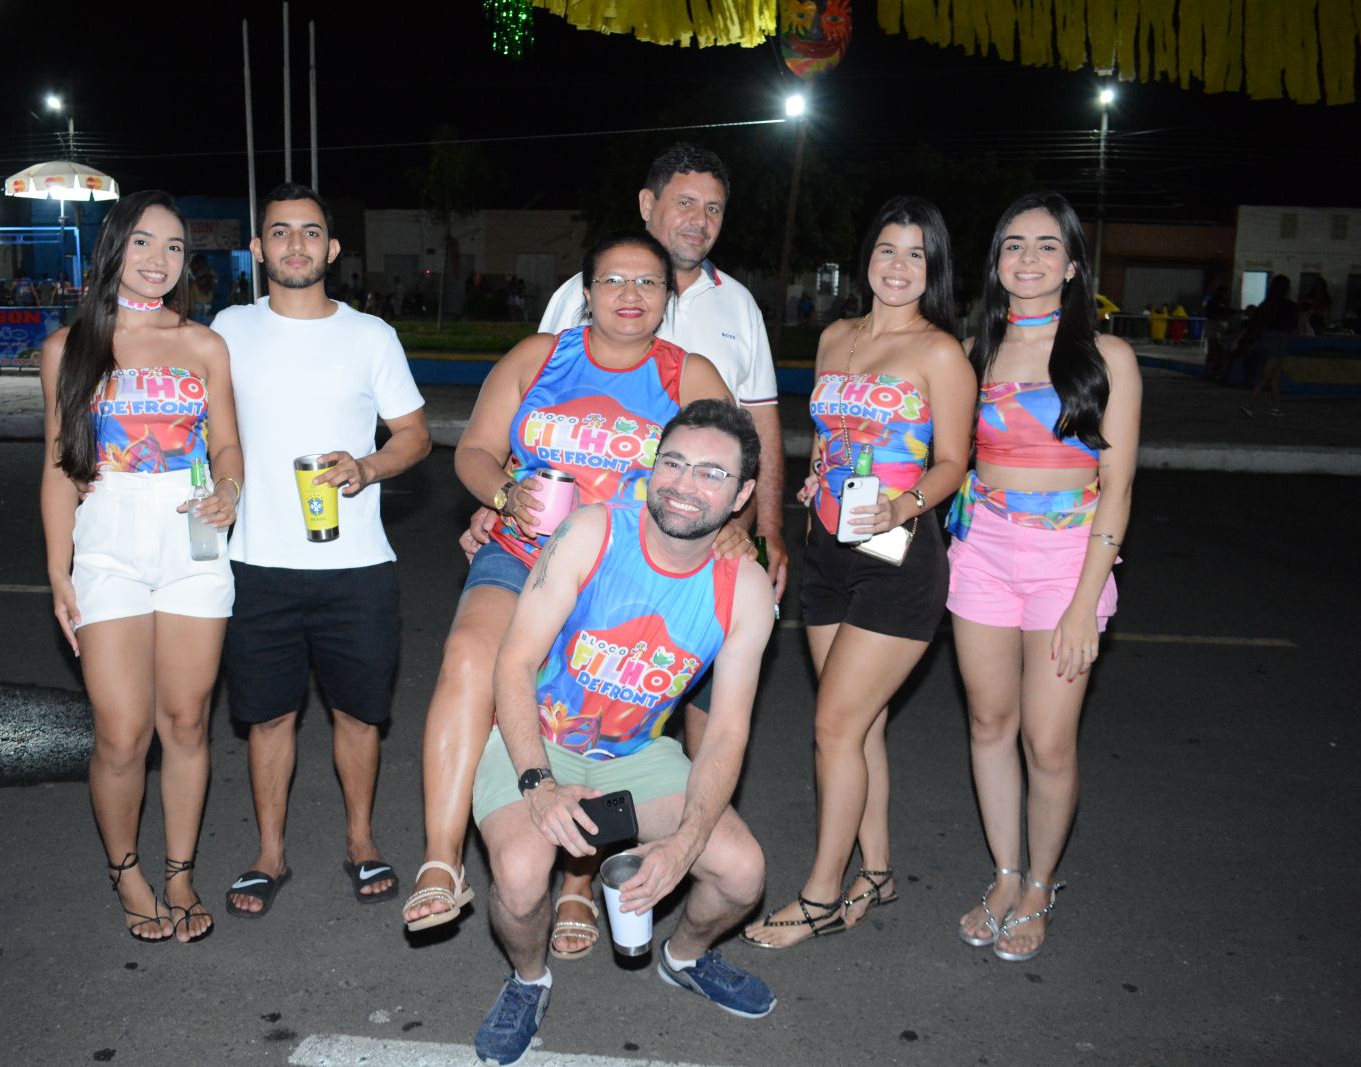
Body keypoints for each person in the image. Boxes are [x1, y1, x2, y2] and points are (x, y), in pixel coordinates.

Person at [403, 232, 733, 949]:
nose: (630, 294)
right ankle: (441, 859)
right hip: (523, 550)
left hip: (621, 573)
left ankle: (580, 882)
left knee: (591, 712)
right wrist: (503, 495)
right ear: (586, 292)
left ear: (668, 297)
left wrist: (737, 536)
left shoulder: (690, 374)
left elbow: (727, 468)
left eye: (648, 282)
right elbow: (474, 449)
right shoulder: (539, 357)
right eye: (613, 280)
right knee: (468, 657)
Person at [471, 400, 777, 1065]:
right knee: (520, 875)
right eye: (673, 463)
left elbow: (727, 732)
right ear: (651, 468)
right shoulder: (593, 531)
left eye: (711, 473)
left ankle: (685, 957)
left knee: (741, 872)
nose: (684, 484)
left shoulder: (747, 590)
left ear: (742, 495)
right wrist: (538, 785)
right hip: (540, 739)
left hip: (636, 755)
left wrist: (683, 845)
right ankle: (528, 979)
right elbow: (515, 662)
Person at [739, 197, 974, 950]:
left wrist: (901, 505)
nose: (898, 266)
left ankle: (819, 895)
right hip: (828, 551)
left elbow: (954, 461)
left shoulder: (941, 352)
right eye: (887, 250)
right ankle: (876, 871)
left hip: (899, 557)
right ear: (866, 257)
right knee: (861, 725)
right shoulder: (835, 337)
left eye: (916, 254)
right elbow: (829, 437)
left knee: (834, 726)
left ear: (934, 269)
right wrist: (817, 482)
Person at [213, 183, 431, 917]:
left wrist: (366, 467)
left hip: (356, 567)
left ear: (332, 249)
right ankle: (269, 853)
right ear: (258, 249)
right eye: (280, 232)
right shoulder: (229, 329)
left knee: (358, 715)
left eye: (310, 232)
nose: (296, 245)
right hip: (258, 563)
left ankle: (361, 841)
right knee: (268, 717)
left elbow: (415, 435)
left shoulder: (371, 336)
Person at [39, 190, 243, 943]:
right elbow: (58, 466)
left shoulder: (204, 345)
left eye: (175, 247)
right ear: (114, 248)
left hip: (192, 541)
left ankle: (180, 872)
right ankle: (125, 869)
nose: (160, 260)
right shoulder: (68, 349)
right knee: (123, 732)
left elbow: (227, 443)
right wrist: (58, 571)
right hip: (108, 544)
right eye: (144, 243)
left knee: (186, 721)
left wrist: (230, 488)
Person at [539, 143, 787, 758]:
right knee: (572, 703)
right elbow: (537, 409)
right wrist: (500, 500)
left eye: (714, 208)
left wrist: (763, 529)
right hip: (591, 551)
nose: (700, 220)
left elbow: (760, 428)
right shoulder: (580, 294)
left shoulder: (738, 304)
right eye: (685, 203)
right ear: (648, 204)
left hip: (698, 543)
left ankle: (689, 812)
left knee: (707, 704)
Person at [948, 192, 1140, 962]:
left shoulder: (1107, 356)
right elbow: (934, 449)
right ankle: (1004, 873)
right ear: (997, 262)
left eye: (1046, 246)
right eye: (1014, 245)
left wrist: (1085, 601)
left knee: (1049, 741)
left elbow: (1117, 487)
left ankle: (1039, 885)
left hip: (1068, 563)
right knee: (988, 722)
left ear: (1071, 266)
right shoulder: (974, 351)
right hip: (983, 551)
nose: (1028, 259)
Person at [1241, 274, 1299, 418]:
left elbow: (1255, 323)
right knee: (1267, 376)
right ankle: (1248, 404)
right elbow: (1293, 325)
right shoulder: (1289, 306)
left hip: (1267, 339)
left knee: (1275, 376)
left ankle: (1276, 408)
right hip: (1279, 341)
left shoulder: (1266, 304)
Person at [190, 255, 217, 322]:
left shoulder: (193, 285)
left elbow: (191, 306)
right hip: (207, 308)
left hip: (196, 310)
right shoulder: (212, 282)